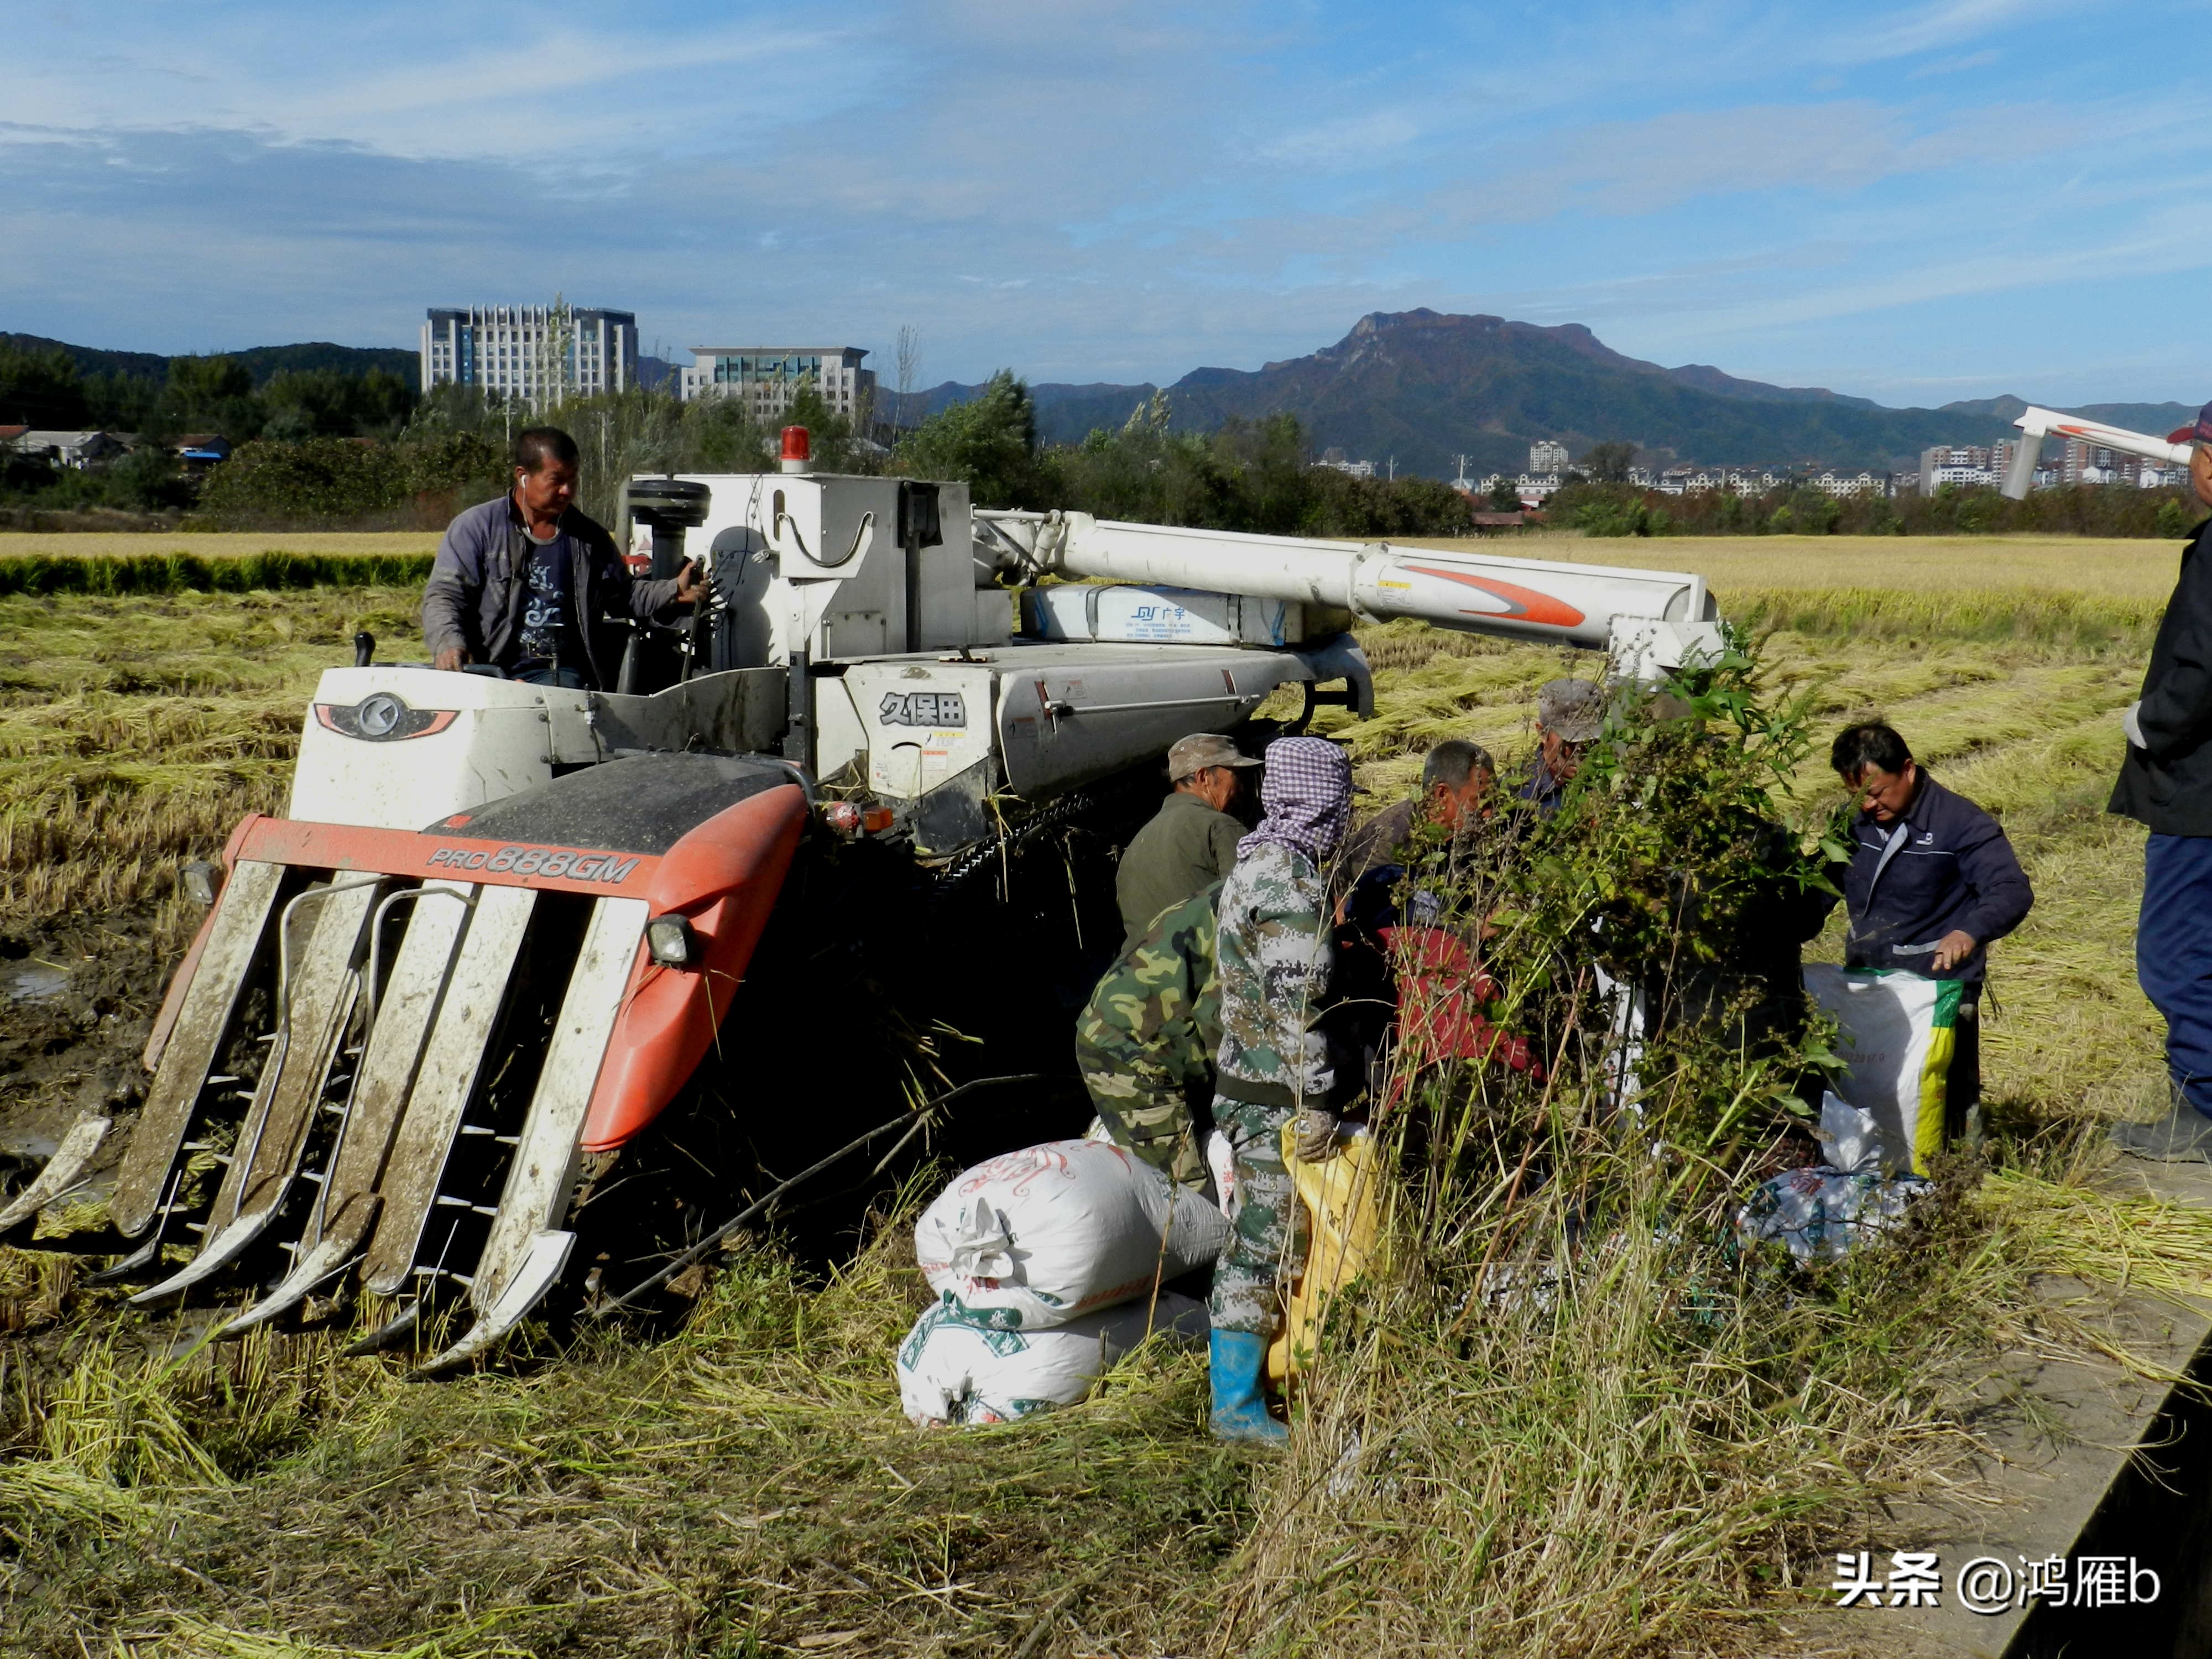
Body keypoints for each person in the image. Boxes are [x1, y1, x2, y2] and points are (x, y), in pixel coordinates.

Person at [1208, 734, 1354, 1445]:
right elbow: (1298, 1009)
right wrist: (1318, 1102)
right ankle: (1234, 1409)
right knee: (1263, 1244)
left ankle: (1258, 1386)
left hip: (1245, 1080)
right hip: (1275, 1099)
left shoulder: (1254, 862)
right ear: (1321, 799)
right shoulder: (1290, 881)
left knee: (1263, 1239)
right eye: (1340, 799)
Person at [1830, 723, 2033, 1140]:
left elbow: (2010, 889)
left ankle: (1959, 1177)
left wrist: (1969, 931)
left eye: (1877, 792)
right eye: (1857, 795)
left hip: (1938, 987)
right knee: (1873, 1085)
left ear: (1907, 770)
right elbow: (1824, 876)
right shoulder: (1853, 822)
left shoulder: (1960, 823)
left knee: (1945, 1094)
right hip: (1870, 978)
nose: (1868, 805)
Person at [2111, 403, 2212, 1159]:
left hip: (2199, 793)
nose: (2195, 466)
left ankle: (2201, 1112)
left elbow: (2205, 668)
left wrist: (2151, 723)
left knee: (2175, 953)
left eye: (2200, 451)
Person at [422, 426, 701, 689]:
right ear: (523, 476)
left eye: (573, 480)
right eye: (556, 480)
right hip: (487, 672)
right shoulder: (477, 528)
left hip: (558, 675)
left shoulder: (590, 539)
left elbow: (624, 596)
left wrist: (674, 591)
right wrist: (449, 643)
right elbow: (445, 595)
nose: (567, 491)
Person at [1074, 884, 1222, 1194]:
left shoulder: (1256, 888)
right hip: (1128, 1051)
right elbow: (1226, 1032)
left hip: (1164, 1042)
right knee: (1186, 1199)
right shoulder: (1269, 915)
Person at [1114, 732, 1260, 953]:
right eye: (1236, 774)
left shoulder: (1134, 846)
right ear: (1204, 778)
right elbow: (1250, 911)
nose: (1241, 787)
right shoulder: (1220, 826)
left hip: (1143, 981)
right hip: (1204, 978)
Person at [1336, 738, 1495, 892]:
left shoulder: (1476, 830)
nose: (1489, 814)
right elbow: (1379, 913)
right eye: (1479, 801)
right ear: (1442, 794)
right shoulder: (1386, 843)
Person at [1517, 679, 1604, 814]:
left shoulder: (1612, 779)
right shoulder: (1518, 794)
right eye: (1570, 742)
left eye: (1591, 741)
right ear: (1543, 733)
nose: (1581, 751)